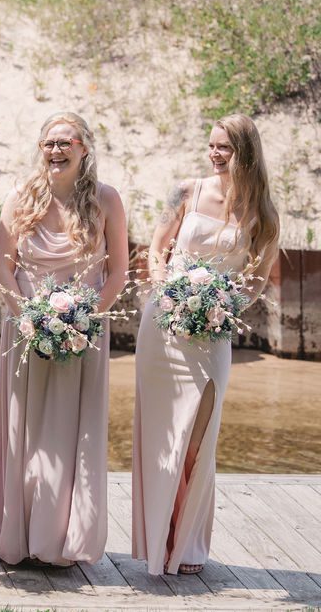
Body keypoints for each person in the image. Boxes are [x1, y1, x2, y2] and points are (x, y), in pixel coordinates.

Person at [131, 113, 280, 575]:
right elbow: (158, 249)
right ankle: (161, 539)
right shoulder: (185, 191)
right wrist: (167, 293)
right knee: (161, 437)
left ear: (246, 154)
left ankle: (186, 541)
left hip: (213, 330)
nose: (215, 155)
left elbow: (256, 279)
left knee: (197, 438)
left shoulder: (264, 212)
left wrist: (224, 305)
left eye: (225, 148)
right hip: (164, 326)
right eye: (212, 146)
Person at [0, 111, 128, 566]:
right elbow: (2, 269)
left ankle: (64, 542)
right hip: (25, 331)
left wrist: (85, 320)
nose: (55, 150)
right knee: (25, 434)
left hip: (83, 335)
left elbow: (119, 272)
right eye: (48, 142)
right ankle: (22, 536)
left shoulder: (106, 200)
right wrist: (26, 317)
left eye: (64, 142)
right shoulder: (19, 197)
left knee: (74, 434)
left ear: (83, 148)